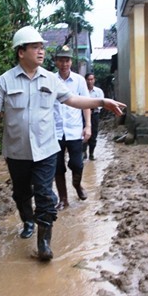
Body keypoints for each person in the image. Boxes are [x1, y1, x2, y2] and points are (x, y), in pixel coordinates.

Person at [0, 26, 126, 261]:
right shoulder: (5, 80)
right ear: (21, 52)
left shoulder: (50, 79)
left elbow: (72, 99)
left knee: (46, 195)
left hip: (46, 150)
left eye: (42, 47)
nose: (41, 51)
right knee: (21, 193)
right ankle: (27, 220)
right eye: (35, 47)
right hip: (17, 151)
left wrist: (101, 100)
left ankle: (44, 242)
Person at [53, 45, 90, 211]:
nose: (64, 63)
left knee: (77, 164)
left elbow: (86, 104)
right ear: (55, 62)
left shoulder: (79, 81)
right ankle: (63, 198)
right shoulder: (50, 80)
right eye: (61, 60)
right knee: (57, 167)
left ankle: (77, 185)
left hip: (75, 131)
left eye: (67, 60)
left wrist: (88, 125)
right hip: (54, 132)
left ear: (71, 62)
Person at [83, 72, 105, 160]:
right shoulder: (82, 91)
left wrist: (92, 106)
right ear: (85, 80)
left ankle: (91, 153)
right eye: (88, 79)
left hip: (95, 115)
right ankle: (83, 152)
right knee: (83, 133)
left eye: (91, 79)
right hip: (83, 115)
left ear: (94, 80)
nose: (90, 81)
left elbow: (101, 103)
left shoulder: (98, 91)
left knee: (94, 134)